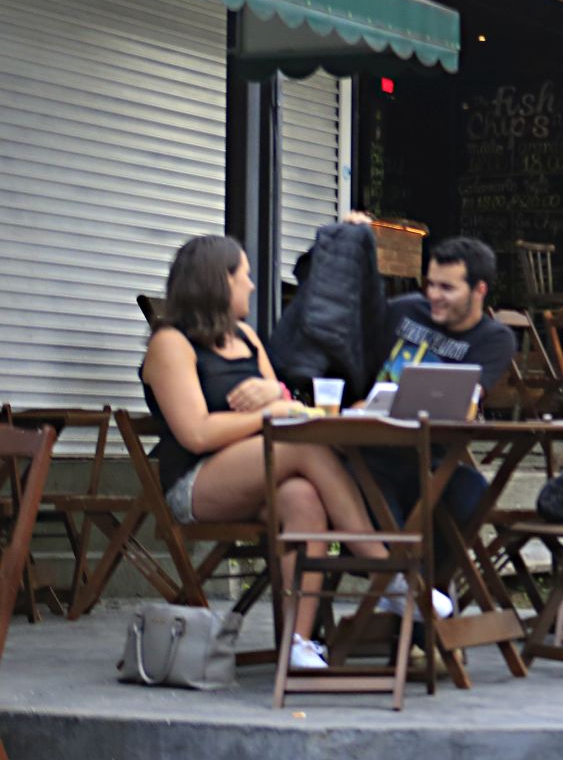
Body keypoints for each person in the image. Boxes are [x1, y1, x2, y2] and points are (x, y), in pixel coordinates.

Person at [140, 235, 397, 672]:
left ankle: (298, 642)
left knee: (303, 497)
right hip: (196, 483)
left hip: (262, 474)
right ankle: (384, 569)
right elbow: (197, 433)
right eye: (245, 275)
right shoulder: (171, 344)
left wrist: (276, 395)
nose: (253, 285)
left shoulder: (246, 337)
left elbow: (284, 403)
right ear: (219, 281)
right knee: (302, 446)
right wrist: (271, 411)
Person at [366, 232, 516, 531]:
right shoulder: (403, 310)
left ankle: (422, 564)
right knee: (374, 490)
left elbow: (467, 404)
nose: (433, 295)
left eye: (446, 287)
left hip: (431, 456)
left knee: (472, 495)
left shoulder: (494, 339)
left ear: (479, 290)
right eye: (430, 284)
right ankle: (399, 561)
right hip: (370, 448)